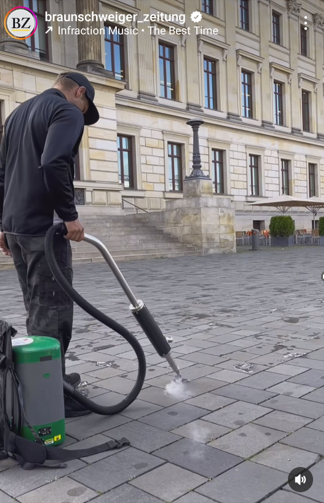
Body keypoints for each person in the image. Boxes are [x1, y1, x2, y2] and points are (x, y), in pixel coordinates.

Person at [0, 72, 99, 417]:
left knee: (37, 308)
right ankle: (51, 395)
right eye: (85, 107)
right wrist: (69, 215)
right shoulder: (66, 111)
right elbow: (55, 161)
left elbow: (3, 172)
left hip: (17, 229)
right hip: (45, 229)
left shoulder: (18, 113)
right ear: (80, 93)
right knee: (53, 313)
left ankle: (46, 377)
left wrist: (2, 222)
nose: (82, 115)